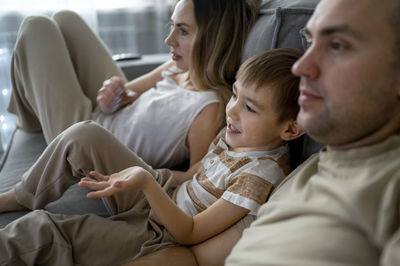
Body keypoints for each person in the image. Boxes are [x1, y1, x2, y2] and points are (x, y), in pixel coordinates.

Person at [0, 47, 304, 265]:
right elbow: (192, 173)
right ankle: (24, 194)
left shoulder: (258, 176)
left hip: (161, 231)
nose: (232, 109)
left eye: (249, 108)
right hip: (165, 192)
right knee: (85, 134)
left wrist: (145, 182)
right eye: (235, 94)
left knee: (42, 232)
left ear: (290, 130)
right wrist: (151, 177)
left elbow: (190, 232)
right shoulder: (239, 136)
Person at [224, 0, 400, 265]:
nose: (301, 67)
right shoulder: (306, 171)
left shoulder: (390, 189)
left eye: (337, 45)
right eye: (309, 41)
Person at [7, 0, 260, 169]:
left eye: (182, 31)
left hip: (84, 145)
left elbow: (195, 180)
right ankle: (30, 116)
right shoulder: (179, 66)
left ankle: (28, 121)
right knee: (65, 17)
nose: (168, 40)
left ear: (215, 40)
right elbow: (127, 91)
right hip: (103, 116)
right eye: (172, 26)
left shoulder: (208, 109)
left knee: (35, 26)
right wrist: (114, 92)